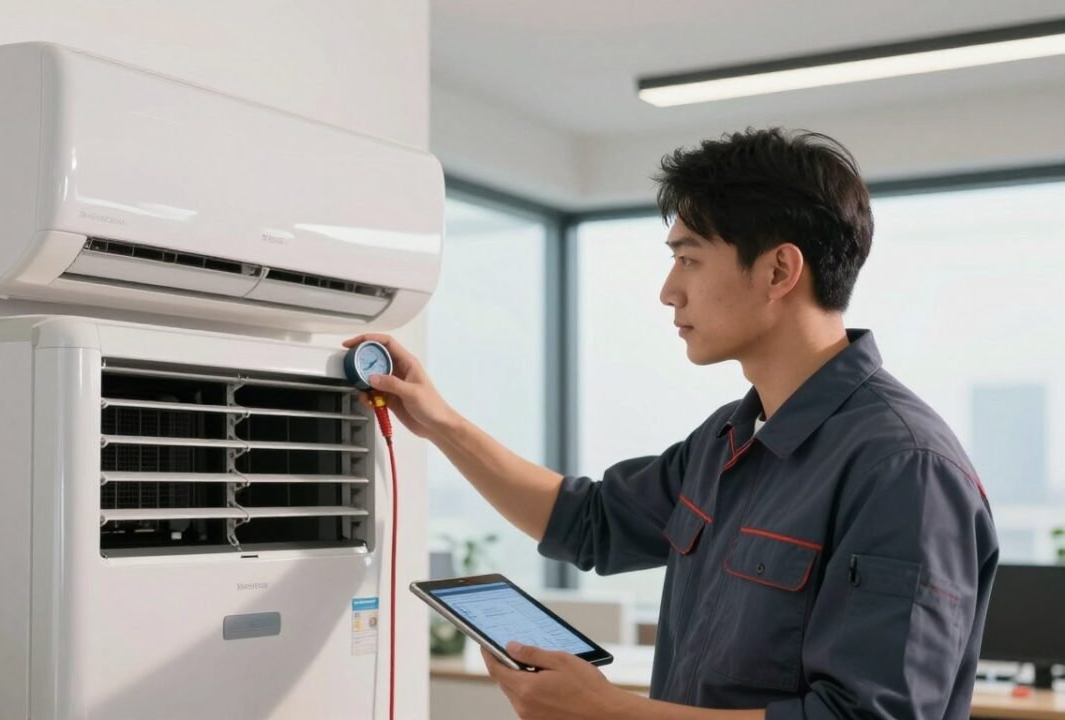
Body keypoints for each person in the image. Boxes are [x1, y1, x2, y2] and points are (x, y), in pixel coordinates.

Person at [344, 127, 998, 720]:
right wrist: (440, 423)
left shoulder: (904, 468)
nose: (668, 290)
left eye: (688, 258)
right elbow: (590, 521)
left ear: (778, 270)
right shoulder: (726, 442)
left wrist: (610, 714)